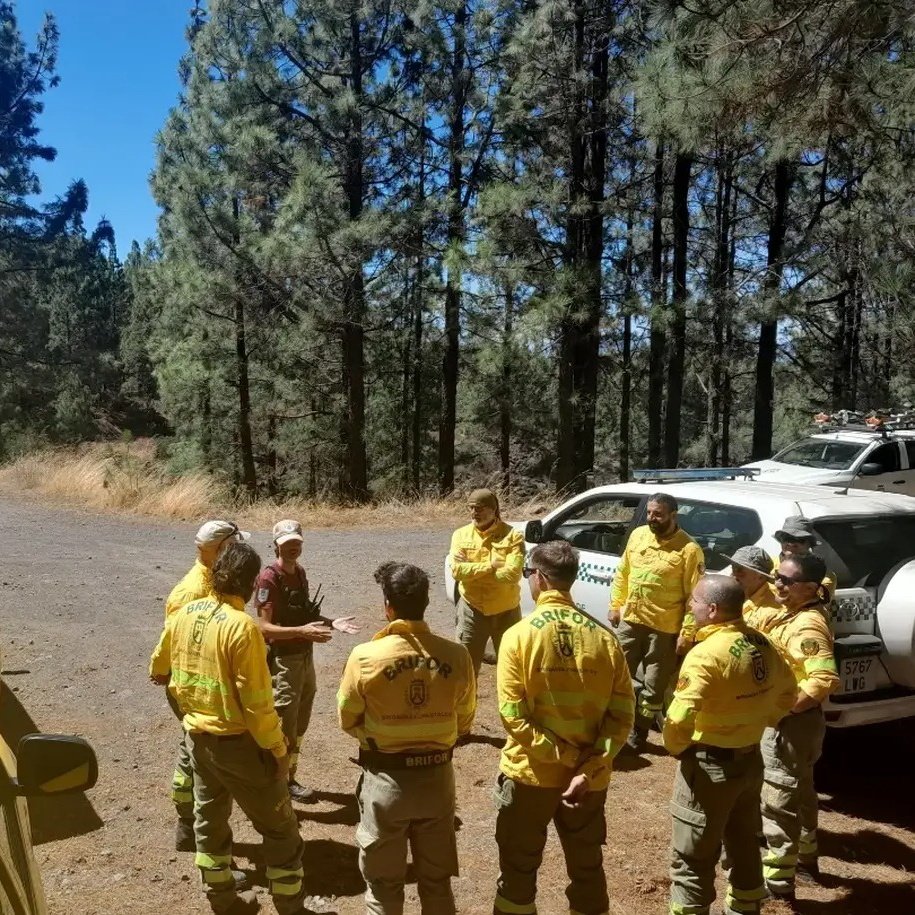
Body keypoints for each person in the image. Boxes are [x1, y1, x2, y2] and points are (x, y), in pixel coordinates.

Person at [150, 542, 307, 915]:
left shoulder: (185, 613)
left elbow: (158, 665)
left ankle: (222, 899)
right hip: (239, 743)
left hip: (197, 739)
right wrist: (278, 749)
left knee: (210, 819)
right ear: (252, 583)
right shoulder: (242, 628)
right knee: (279, 826)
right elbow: (256, 702)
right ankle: (290, 905)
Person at [494, 540, 635, 915]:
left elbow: (513, 715)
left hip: (531, 777)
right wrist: (586, 768)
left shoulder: (519, 637)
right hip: (587, 782)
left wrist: (564, 756)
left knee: (518, 869)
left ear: (538, 578)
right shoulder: (606, 638)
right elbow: (623, 717)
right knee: (587, 866)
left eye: (528, 575)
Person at [338, 562, 476, 915]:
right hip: (437, 781)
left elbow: (347, 717)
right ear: (427, 602)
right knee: (437, 883)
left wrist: (373, 736)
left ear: (388, 606)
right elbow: (464, 721)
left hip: (386, 782)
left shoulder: (365, 657)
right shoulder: (457, 655)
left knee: (383, 888)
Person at [663, 575, 796, 915]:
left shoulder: (706, 654)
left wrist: (679, 748)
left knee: (692, 857)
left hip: (710, 767)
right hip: (750, 762)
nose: (689, 607)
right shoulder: (763, 643)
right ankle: (746, 907)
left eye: (694, 602)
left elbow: (678, 719)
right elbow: (789, 693)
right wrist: (761, 722)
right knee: (744, 842)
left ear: (712, 609)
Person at [255, 519, 360, 804]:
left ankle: (289, 777)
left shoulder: (299, 573)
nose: (293, 548)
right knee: (284, 722)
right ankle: (274, 785)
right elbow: (263, 628)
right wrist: (301, 632)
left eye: (297, 543)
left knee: (300, 722)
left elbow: (303, 614)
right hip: (283, 661)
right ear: (276, 544)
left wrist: (331, 622)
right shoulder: (268, 578)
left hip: (303, 657)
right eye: (287, 543)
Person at [755, 553, 839, 901]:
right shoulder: (792, 614)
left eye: (786, 580)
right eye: (777, 576)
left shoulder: (807, 625)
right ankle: (806, 860)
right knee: (801, 793)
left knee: (777, 802)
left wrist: (782, 711)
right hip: (797, 727)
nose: (778, 583)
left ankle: (777, 883)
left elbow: (822, 679)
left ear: (809, 588)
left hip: (790, 727)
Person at [165, 519, 250, 853]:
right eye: (236, 544)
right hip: (197, 691)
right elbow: (172, 646)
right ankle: (195, 829)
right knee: (203, 765)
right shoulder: (192, 592)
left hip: (201, 689)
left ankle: (188, 829)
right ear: (222, 548)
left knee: (189, 756)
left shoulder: (213, 581)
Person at [608, 493, 704, 752]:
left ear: (673, 515)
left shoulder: (689, 550)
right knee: (618, 676)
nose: (652, 518)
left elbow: (694, 597)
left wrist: (687, 632)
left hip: (664, 629)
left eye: (658, 514)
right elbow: (623, 572)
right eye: (650, 513)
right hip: (632, 621)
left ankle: (639, 732)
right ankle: (616, 724)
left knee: (653, 686)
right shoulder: (638, 535)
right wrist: (615, 605)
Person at [449, 488, 525, 677]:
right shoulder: (460, 535)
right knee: (465, 668)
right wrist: (491, 566)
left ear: (494, 509)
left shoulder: (513, 536)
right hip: (471, 611)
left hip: (507, 612)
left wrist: (472, 570)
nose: (475, 513)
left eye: (480, 508)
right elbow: (457, 571)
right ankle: (466, 706)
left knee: (513, 669)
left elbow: (513, 575)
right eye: (471, 508)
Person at [772, 517, 836, 602]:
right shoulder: (767, 565)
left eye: (799, 539)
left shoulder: (824, 576)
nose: (791, 543)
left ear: (809, 545)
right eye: (785, 538)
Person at [723, 545, 781, 630]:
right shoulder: (730, 596)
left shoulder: (771, 613)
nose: (733, 575)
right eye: (733, 569)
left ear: (760, 576)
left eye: (740, 571)